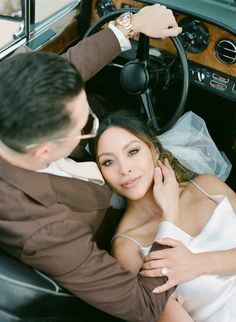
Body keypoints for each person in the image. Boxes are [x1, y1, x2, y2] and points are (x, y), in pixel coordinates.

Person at [0, 5, 184, 322]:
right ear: (44, 152)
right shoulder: (44, 230)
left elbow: (62, 72)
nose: (95, 124)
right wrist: (171, 219)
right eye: (86, 126)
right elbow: (142, 306)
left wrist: (130, 25)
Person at [93, 109, 236, 322]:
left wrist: (199, 263)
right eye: (108, 162)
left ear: (154, 150)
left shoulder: (207, 186)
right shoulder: (126, 247)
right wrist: (170, 214)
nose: (124, 169)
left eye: (132, 152)